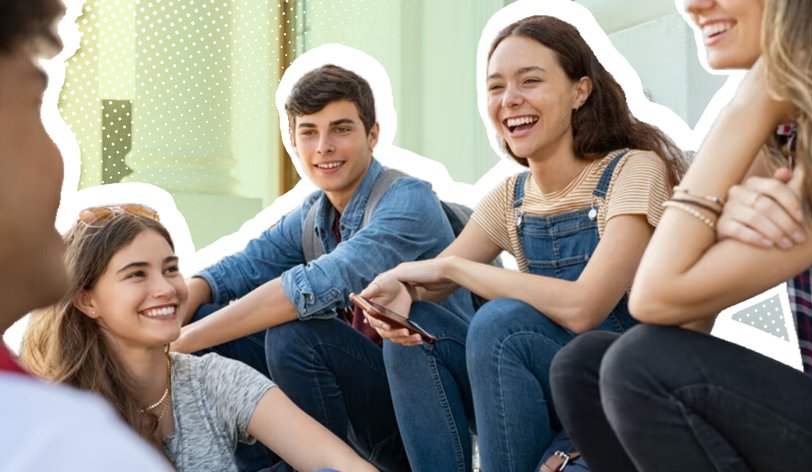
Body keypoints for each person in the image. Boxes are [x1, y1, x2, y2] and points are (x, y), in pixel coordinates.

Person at [358, 15, 686, 471]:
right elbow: (429, 284)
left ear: (580, 91)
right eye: (496, 87)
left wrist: (453, 270)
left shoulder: (632, 172)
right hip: (533, 396)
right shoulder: (510, 198)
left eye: (530, 81)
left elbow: (584, 308)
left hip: (616, 396)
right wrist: (399, 295)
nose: (510, 100)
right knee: (412, 335)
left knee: (504, 323)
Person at [550, 0, 812, 470]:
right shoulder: (788, 133)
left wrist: (753, 97)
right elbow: (680, 326)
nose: (693, 5)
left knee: (639, 365)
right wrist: (718, 216)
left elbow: (655, 298)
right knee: (585, 366)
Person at [171, 64, 473, 471]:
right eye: (309, 132)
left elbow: (309, 288)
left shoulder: (407, 202)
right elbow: (231, 273)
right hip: (359, 408)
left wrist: (177, 345)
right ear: (293, 141)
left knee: (295, 336)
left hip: (418, 414)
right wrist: (169, 327)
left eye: (341, 129)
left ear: (373, 134)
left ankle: (309, 464)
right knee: (213, 324)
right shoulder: (315, 214)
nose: (323, 146)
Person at [21, 205, 376, 472]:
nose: (165, 289)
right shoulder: (60, 410)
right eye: (136, 275)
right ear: (88, 300)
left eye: (170, 269)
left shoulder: (212, 379)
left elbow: (341, 463)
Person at [0, 1, 173, 470]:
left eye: (170, 268)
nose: (62, 157)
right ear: (86, 299)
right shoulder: (59, 445)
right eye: (35, 104)